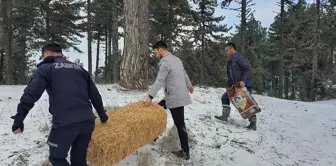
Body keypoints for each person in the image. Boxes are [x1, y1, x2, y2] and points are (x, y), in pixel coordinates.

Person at [10, 43, 109, 166]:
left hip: (65, 123)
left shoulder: (45, 68)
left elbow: (30, 95)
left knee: (57, 159)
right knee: (79, 160)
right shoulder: (79, 69)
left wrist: (19, 118)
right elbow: (95, 95)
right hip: (87, 122)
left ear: (45, 54)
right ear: (62, 54)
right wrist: (102, 115)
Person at [145, 41, 193, 160]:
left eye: (155, 51)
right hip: (175, 94)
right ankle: (154, 135)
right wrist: (189, 85)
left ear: (160, 50)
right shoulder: (176, 59)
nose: (155, 53)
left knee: (180, 124)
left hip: (175, 97)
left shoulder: (165, 62)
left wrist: (150, 96)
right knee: (158, 109)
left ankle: (185, 153)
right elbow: (185, 74)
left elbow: (159, 80)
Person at [214, 42, 257, 131]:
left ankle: (253, 123)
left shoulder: (239, 57)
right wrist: (229, 84)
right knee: (225, 97)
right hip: (235, 86)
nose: (226, 52)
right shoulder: (231, 60)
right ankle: (224, 116)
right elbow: (231, 74)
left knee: (247, 104)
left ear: (231, 49)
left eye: (227, 50)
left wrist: (244, 81)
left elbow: (248, 69)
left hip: (244, 85)